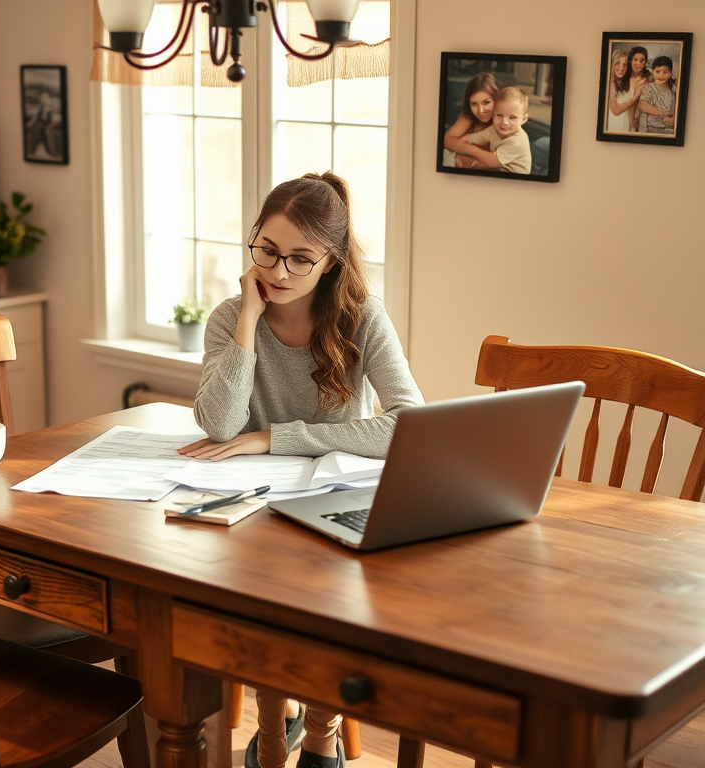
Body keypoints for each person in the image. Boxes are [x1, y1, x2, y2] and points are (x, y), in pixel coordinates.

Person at [179, 172, 424, 768]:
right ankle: (272, 736)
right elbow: (217, 424)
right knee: (264, 591)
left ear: (331, 262)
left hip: (333, 496)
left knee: (323, 593)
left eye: (299, 259)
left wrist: (273, 438)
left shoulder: (362, 315)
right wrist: (246, 323)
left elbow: (408, 423)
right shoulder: (230, 317)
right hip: (255, 501)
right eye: (266, 250)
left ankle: (318, 736)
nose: (278, 272)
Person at [453, 87, 532, 174]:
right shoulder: (493, 130)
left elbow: (492, 162)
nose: (504, 122)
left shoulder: (518, 141)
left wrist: (470, 163)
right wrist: (459, 148)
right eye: (499, 115)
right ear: (493, 115)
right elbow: (472, 138)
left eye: (512, 117)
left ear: (524, 119)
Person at [442, 71, 501, 167]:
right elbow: (447, 139)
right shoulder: (469, 115)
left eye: (486, 102)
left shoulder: (505, 120)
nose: (480, 110)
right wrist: (482, 155)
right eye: (474, 104)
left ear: (497, 99)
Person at [635, 55, 677, 134]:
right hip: (652, 128)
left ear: (671, 73)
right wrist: (660, 113)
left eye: (665, 72)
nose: (661, 76)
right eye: (657, 72)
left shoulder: (673, 90)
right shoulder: (649, 88)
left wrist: (674, 120)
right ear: (652, 72)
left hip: (670, 130)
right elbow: (642, 104)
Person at [604, 50, 634, 132]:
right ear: (611, 64)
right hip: (614, 126)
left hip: (625, 126)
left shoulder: (627, 83)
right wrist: (635, 97)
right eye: (617, 63)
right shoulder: (610, 84)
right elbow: (615, 111)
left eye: (624, 64)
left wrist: (632, 126)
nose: (621, 68)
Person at [627, 46, 652, 131]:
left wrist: (632, 126)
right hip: (623, 118)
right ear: (630, 60)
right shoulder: (625, 78)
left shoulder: (647, 79)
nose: (638, 64)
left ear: (645, 62)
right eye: (635, 60)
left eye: (642, 60)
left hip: (640, 120)